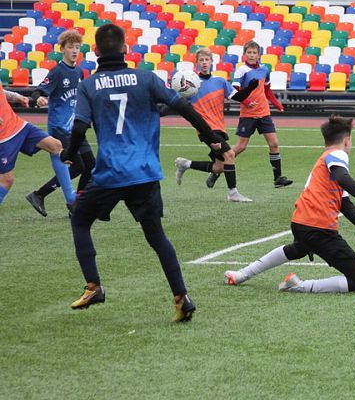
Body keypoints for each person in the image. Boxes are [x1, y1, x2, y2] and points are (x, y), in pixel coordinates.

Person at [62, 23, 232, 321]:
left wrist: (68, 153)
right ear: (126, 49)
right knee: (156, 236)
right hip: (145, 172)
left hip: (111, 173)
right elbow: (186, 109)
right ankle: (182, 298)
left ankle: (94, 286)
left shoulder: (89, 85)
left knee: (80, 220)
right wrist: (212, 140)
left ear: (96, 52)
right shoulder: (146, 78)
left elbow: (79, 127)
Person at [225, 115, 355, 294]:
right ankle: (299, 286)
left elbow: (348, 208)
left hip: (302, 223)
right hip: (318, 228)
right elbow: (342, 177)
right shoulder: (337, 155)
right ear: (347, 141)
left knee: (298, 248)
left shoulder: (325, 163)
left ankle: (242, 274)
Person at [24, 29, 93, 217]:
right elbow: (38, 91)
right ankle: (67, 203)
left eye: (77, 47)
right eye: (70, 47)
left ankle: (67, 201)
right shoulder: (57, 72)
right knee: (78, 166)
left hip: (74, 127)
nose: (74, 51)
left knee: (91, 165)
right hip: (59, 128)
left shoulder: (79, 72)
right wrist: (38, 98)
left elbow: (82, 98)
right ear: (62, 49)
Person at [173, 48, 253, 203]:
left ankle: (185, 164)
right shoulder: (191, 85)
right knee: (230, 154)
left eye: (206, 60)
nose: (204, 63)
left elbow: (237, 96)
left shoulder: (220, 81)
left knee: (219, 167)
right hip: (205, 130)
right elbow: (177, 103)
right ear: (197, 63)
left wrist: (250, 88)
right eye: (201, 60)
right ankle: (232, 193)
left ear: (211, 62)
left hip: (219, 128)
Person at [0, 84, 75, 210]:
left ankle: (72, 201)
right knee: (7, 180)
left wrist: (17, 97)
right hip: (4, 136)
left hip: (18, 125)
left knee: (55, 146)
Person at [230, 40, 293, 188]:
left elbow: (267, 90)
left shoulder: (265, 70)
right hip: (248, 114)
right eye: (249, 52)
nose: (252, 55)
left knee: (274, 143)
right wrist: (246, 102)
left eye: (254, 52)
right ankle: (218, 168)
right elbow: (235, 91)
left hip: (264, 113)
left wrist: (277, 105)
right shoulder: (241, 70)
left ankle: (278, 179)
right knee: (241, 147)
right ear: (244, 54)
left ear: (259, 55)